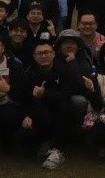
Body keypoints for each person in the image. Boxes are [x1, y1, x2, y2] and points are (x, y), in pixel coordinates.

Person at [19, 39, 80, 169]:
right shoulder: (29, 73)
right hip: (39, 113)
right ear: (34, 56)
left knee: (63, 106)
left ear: (53, 54)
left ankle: (58, 149)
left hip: (60, 111)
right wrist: (26, 115)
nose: (43, 56)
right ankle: (45, 141)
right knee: (23, 139)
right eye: (40, 53)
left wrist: (44, 94)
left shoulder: (63, 70)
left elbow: (65, 94)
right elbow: (25, 99)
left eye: (47, 52)